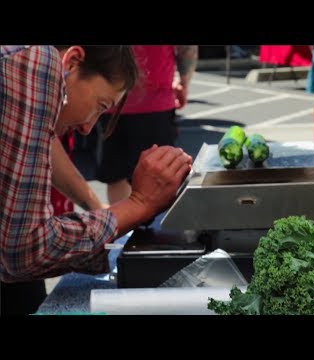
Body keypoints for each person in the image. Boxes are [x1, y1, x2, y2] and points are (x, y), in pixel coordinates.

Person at [0, 45, 192, 315]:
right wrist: (139, 205)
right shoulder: (37, 62)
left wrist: (97, 207)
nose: (88, 127)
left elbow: (39, 141)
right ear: (73, 62)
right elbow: (24, 250)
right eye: (101, 106)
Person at [95, 45, 198, 204]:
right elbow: (187, 49)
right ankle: (149, 225)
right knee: (162, 175)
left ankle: (126, 226)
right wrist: (184, 82)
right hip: (154, 100)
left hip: (111, 98)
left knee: (117, 177)